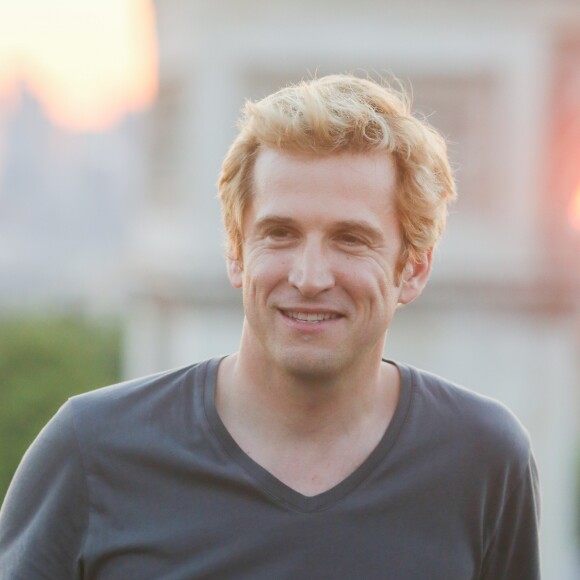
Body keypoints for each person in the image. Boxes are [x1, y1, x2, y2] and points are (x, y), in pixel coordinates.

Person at [0, 74, 540, 579]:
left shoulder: (483, 460)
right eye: (279, 234)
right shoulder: (92, 450)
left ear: (414, 268)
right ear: (236, 254)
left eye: (351, 239)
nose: (308, 277)